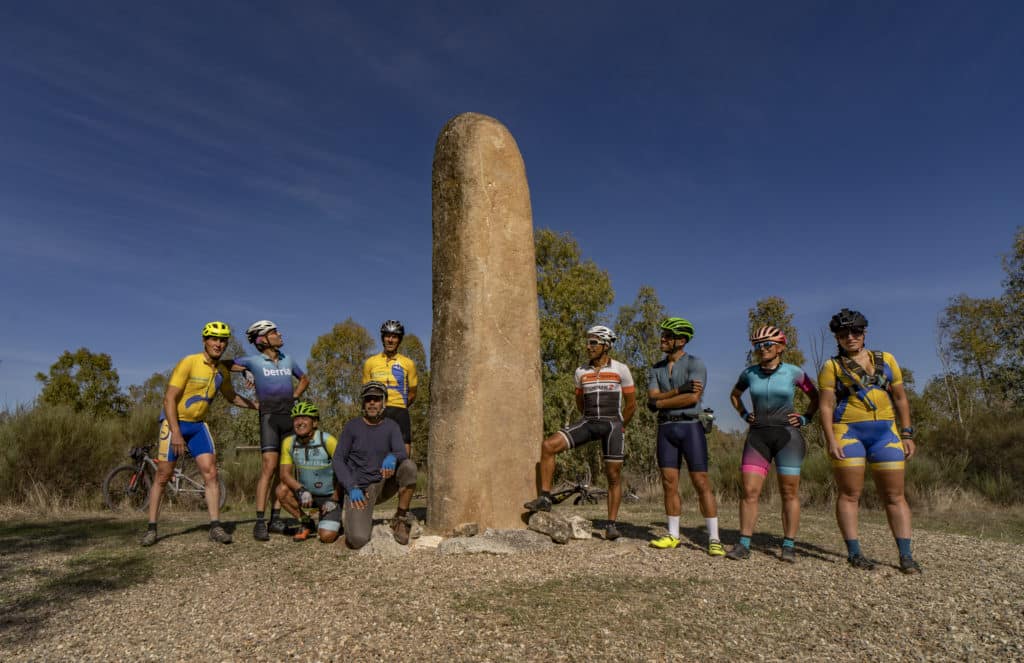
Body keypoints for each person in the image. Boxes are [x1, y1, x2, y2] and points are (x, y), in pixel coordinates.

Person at [818, 308, 921, 574]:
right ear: (837, 338)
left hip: (886, 433)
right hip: (847, 433)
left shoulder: (886, 359)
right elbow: (826, 406)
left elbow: (900, 398)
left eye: (855, 332)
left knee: (895, 495)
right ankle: (854, 553)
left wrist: (907, 433)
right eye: (843, 334)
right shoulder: (832, 366)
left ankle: (906, 555)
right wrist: (831, 440)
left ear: (864, 333)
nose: (850, 337)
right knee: (850, 494)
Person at [141, 321, 257, 547]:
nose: (218, 343)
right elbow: (169, 399)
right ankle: (151, 529)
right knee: (163, 476)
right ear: (204, 340)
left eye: (223, 340)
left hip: (198, 425)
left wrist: (256, 405)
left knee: (211, 474)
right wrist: (175, 433)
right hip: (174, 424)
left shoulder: (222, 370)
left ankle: (215, 526)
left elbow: (231, 397)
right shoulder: (189, 362)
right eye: (214, 338)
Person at [523, 325, 636, 541]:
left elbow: (631, 404)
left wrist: (621, 426)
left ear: (606, 345)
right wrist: (588, 422)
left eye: (593, 342)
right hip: (588, 422)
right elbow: (579, 401)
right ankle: (545, 498)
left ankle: (611, 525)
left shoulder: (621, 369)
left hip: (613, 426)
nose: (588, 346)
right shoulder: (580, 372)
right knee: (548, 446)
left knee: (613, 476)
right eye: (588, 342)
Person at [726, 326, 819, 563]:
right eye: (757, 346)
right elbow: (734, 395)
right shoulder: (749, 373)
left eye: (767, 344)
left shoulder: (794, 372)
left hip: (787, 436)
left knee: (789, 492)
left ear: (780, 347)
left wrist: (806, 418)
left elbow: (816, 397)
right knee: (749, 491)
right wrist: (745, 416)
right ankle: (744, 543)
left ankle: (788, 545)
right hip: (758, 438)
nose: (762, 349)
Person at [646, 317, 724, 555]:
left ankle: (714, 538)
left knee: (701, 483)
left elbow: (692, 399)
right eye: (663, 335)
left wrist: (662, 401)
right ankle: (673, 535)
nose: (662, 339)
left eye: (667, 336)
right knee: (669, 483)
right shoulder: (655, 368)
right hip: (666, 429)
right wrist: (678, 391)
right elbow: (651, 399)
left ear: (681, 340)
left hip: (691, 427)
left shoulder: (695, 363)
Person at [233, 319, 309, 541]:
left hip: (289, 418)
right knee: (268, 467)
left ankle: (275, 518)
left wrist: (294, 396)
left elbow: (304, 379)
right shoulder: (254, 361)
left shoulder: (289, 360)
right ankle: (259, 521)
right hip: (268, 418)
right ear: (262, 339)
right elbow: (225, 364)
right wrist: (245, 372)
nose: (280, 334)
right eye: (274, 332)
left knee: (284, 471)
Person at [333, 381, 418, 549]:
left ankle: (400, 519)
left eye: (377, 399)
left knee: (409, 466)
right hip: (360, 490)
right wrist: (351, 487)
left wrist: (393, 456)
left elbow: (402, 452)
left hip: (384, 483)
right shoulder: (352, 427)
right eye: (368, 399)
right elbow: (337, 460)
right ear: (363, 403)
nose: (372, 402)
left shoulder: (391, 426)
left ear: (384, 403)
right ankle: (356, 520)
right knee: (358, 539)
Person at [275, 401, 342, 543]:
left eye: (305, 418)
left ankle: (336, 518)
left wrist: (334, 498)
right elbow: (284, 474)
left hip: (330, 496)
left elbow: (344, 472)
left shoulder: (328, 440)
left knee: (326, 537)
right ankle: (306, 523)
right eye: (296, 419)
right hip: (307, 495)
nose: (299, 422)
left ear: (315, 422)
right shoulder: (289, 442)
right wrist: (301, 490)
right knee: (281, 490)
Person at [363, 320, 418, 458]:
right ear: (383, 338)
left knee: (404, 454)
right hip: (377, 410)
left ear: (399, 340)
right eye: (387, 336)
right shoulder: (370, 362)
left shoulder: (408, 363)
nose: (390, 340)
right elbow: (365, 391)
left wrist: (400, 405)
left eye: (394, 336)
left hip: (399, 409)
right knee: (374, 451)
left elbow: (412, 392)